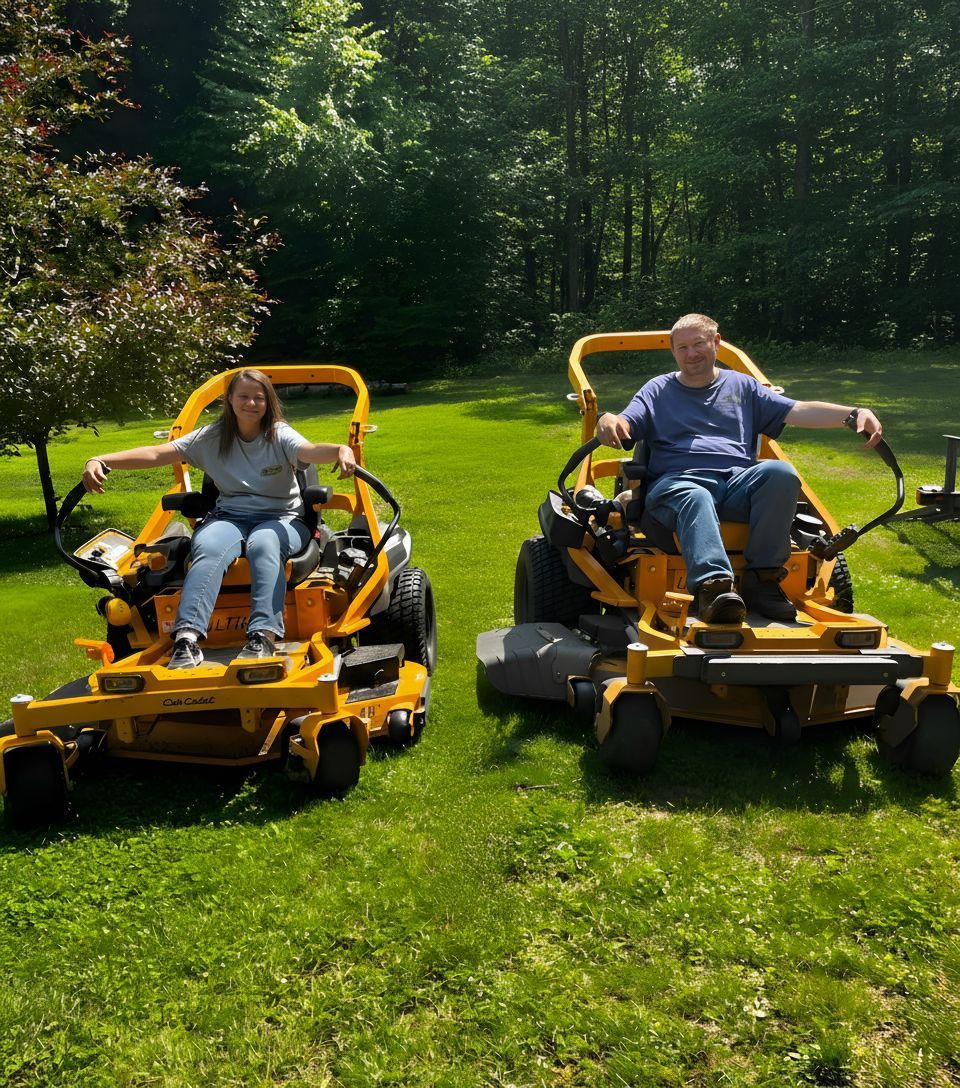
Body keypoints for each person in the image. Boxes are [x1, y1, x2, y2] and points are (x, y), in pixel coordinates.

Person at [596, 314, 883, 624]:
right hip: (677, 484)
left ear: (716, 342)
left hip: (736, 482)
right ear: (673, 351)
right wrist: (607, 420)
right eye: (682, 347)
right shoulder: (657, 389)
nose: (691, 354)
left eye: (699, 344)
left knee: (781, 473)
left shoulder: (742, 387)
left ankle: (763, 582)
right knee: (696, 496)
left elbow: (797, 409)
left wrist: (854, 414)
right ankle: (713, 590)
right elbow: (627, 420)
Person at [83, 368, 356, 668]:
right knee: (208, 545)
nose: (251, 403)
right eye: (244, 396)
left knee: (264, 543)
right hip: (230, 516)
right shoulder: (211, 437)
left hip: (283, 518)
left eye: (259, 398)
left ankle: (263, 635)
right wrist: (101, 460)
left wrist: (341, 450)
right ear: (230, 400)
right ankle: (186, 638)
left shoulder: (278, 434)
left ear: (268, 402)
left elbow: (310, 450)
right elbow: (157, 454)